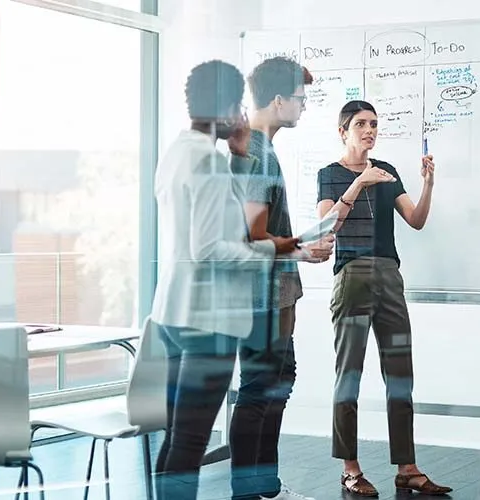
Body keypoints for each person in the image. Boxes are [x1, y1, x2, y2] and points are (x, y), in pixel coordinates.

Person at [149, 59, 301, 500]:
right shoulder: (209, 166)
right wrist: (279, 248)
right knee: (191, 443)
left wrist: (237, 156)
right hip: (207, 322)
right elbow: (213, 249)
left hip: (172, 314)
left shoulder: (177, 153)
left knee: (178, 440)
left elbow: (205, 232)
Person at [315, 100, 451, 497]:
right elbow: (328, 225)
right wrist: (359, 183)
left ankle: (407, 467)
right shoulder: (330, 174)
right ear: (344, 131)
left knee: (400, 374)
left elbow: (417, 219)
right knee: (349, 376)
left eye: (374, 124)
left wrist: (427, 184)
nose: (369, 130)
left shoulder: (388, 172)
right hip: (352, 277)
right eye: (361, 124)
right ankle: (350, 468)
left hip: (389, 278)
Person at [226, 56, 332, 500]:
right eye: (300, 99)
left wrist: (299, 243)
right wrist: (303, 249)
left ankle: (266, 489)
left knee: (278, 381)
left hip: (273, 295)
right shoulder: (252, 154)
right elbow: (246, 240)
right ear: (277, 100)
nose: (304, 107)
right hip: (257, 298)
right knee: (258, 391)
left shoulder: (260, 149)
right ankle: (247, 494)